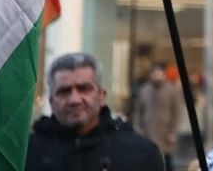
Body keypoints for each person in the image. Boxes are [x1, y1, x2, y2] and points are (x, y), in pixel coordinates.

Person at [25, 52, 165, 171]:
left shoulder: (139, 153)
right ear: (51, 101)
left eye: (84, 89)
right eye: (64, 91)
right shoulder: (26, 154)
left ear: (102, 96)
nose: (74, 100)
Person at [133, 61, 181, 170]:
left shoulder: (172, 90)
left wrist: (173, 132)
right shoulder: (144, 90)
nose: (157, 77)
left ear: (164, 75)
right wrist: (138, 128)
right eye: (155, 74)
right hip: (148, 132)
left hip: (165, 134)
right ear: (151, 75)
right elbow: (138, 112)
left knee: (166, 162)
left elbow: (177, 113)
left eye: (160, 74)